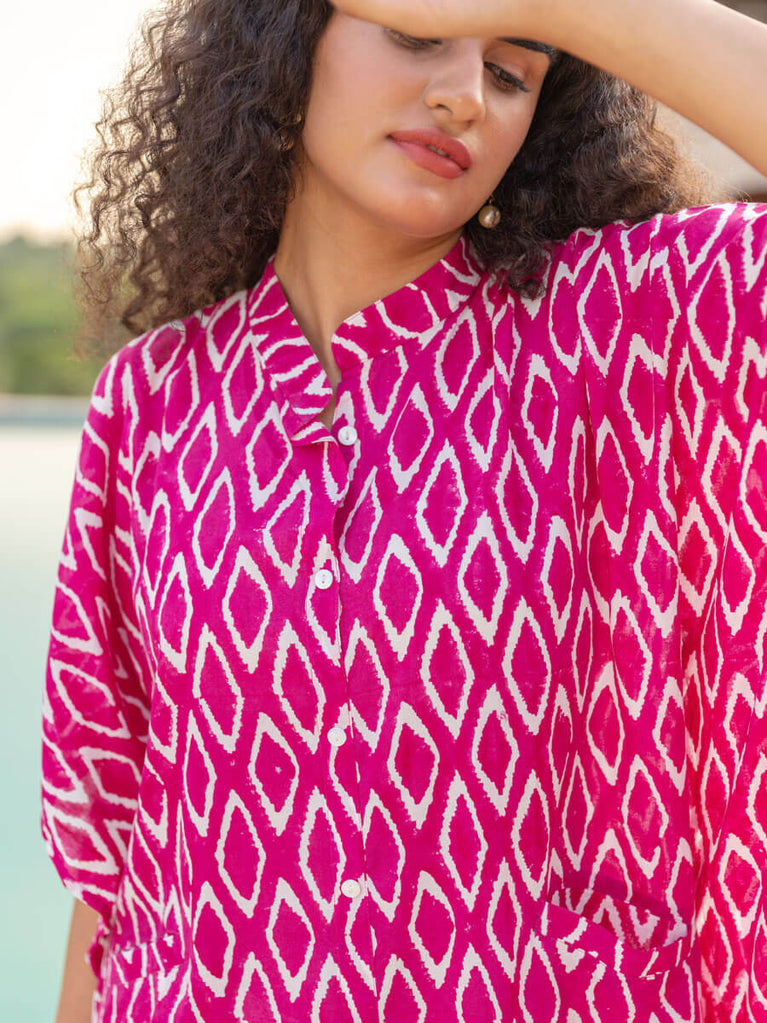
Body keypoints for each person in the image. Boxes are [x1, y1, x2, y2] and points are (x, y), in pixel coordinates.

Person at [41, 0, 767, 1019]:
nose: (463, 96)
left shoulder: (614, 330)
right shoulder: (154, 399)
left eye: (512, 72)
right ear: (285, 35)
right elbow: (114, 845)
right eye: (418, 33)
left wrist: (564, 3)